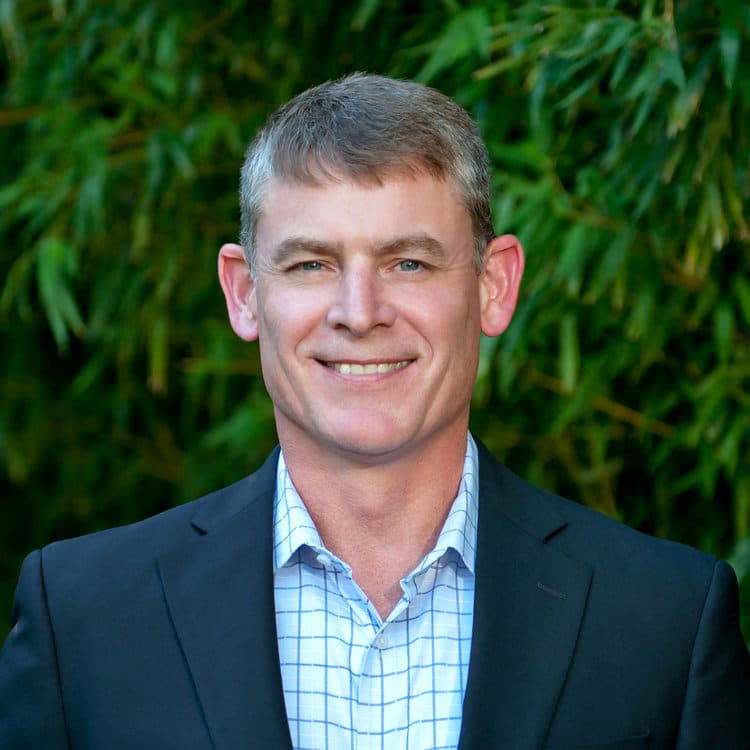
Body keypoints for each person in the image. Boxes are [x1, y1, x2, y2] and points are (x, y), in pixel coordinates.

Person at [1, 73, 748, 750]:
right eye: (311, 264)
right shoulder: (83, 618)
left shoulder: (665, 620)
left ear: (494, 285)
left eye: (409, 263)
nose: (359, 313)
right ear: (244, 291)